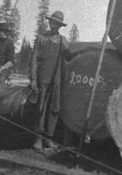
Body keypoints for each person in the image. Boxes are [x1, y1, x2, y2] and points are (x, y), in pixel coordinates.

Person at [30, 11, 73, 151]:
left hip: (56, 80)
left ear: (60, 25)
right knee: (41, 108)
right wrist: (33, 79)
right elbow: (34, 59)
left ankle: (49, 138)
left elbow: (69, 59)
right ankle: (38, 139)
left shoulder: (63, 41)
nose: (53, 24)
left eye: (56, 23)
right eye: (51, 22)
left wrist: (69, 52)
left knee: (54, 109)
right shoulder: (41, 39)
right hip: (43, 78)